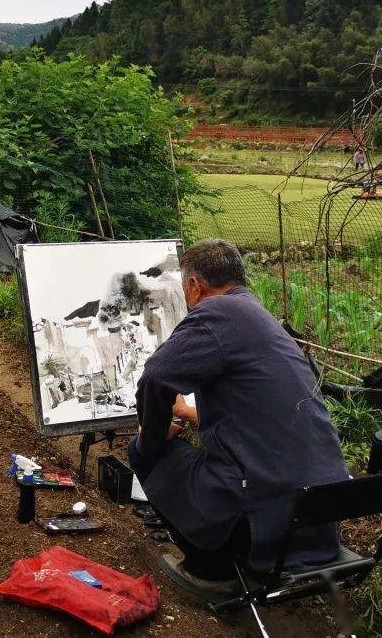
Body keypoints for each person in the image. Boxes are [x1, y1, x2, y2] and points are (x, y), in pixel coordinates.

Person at [129, 239, 349, 597]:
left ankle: (210, 568)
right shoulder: (261, 319)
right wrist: (188, 412)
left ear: (195, 286)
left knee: (143, 452)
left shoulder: (213, 314)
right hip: (318, 517)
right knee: (205, 458)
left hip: (264, 519)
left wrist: (151, 433)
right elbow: (261, 417)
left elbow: (155, 377)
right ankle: (224, 552)